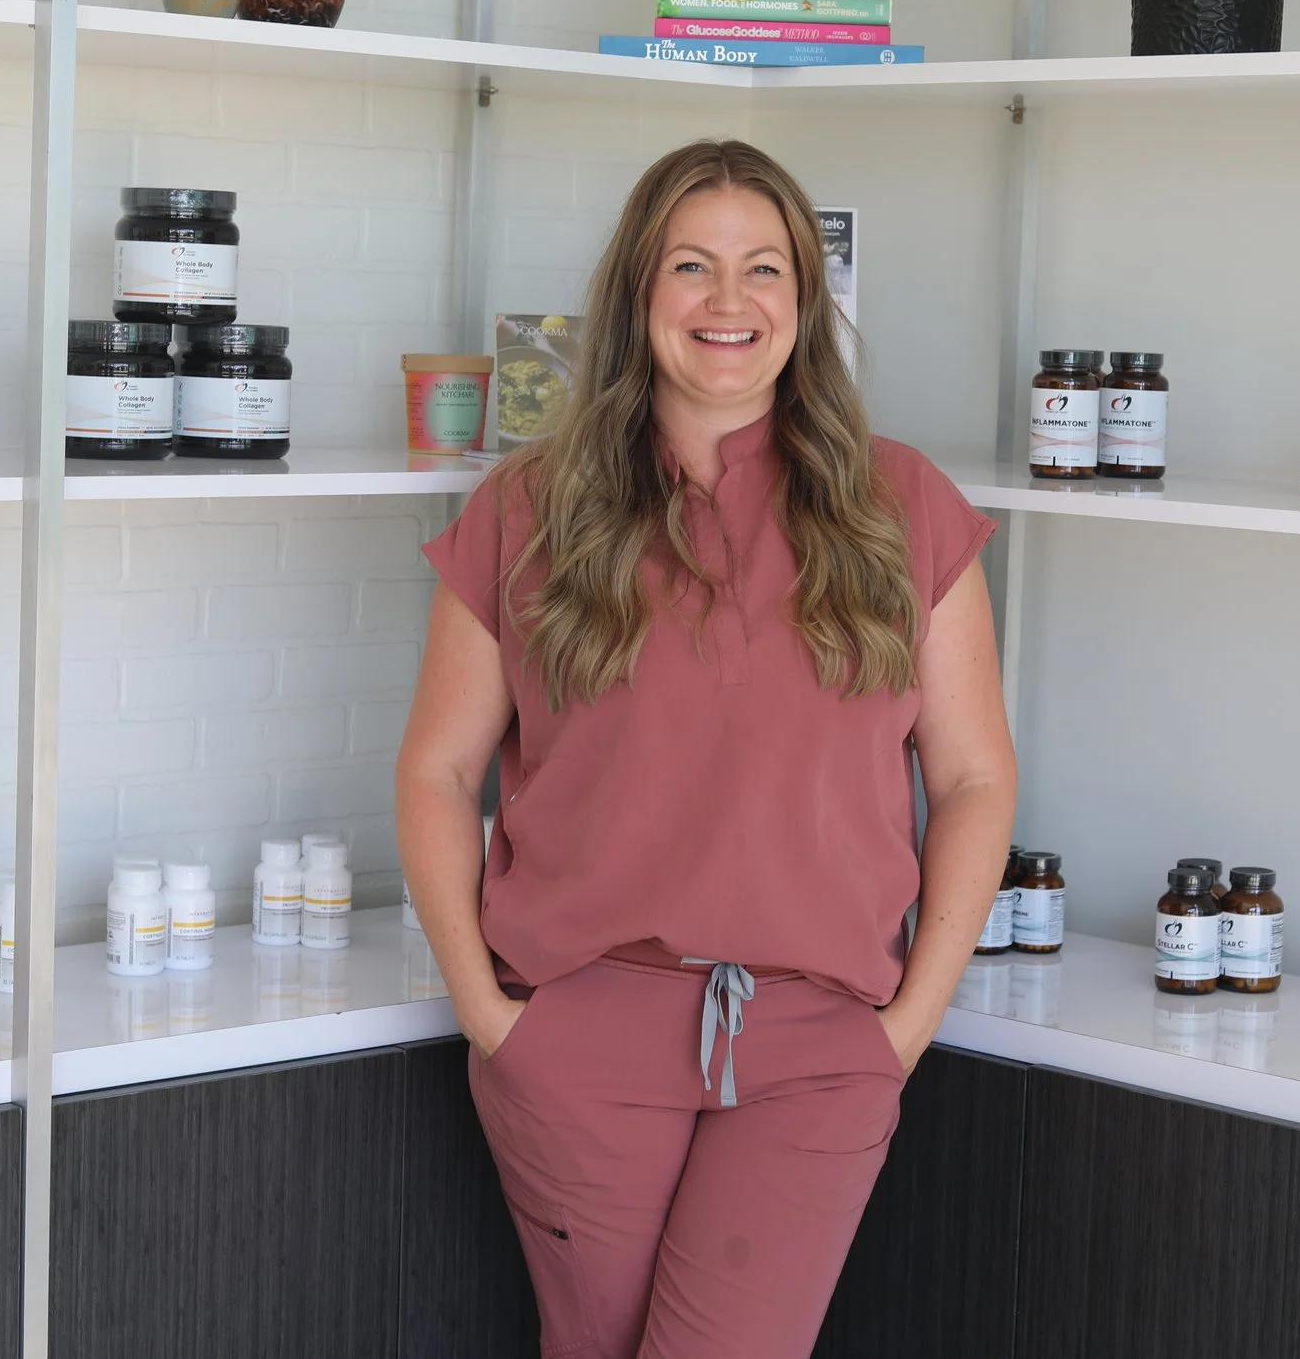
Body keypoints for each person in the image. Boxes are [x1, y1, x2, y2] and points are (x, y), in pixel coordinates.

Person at [396, 138, 1017, 1358]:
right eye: (692, 265)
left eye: (763, 268)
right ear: (639, 293)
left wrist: (904, 1028)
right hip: (578, 1035)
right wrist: (489, 1009)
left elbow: (973, 776)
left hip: (817, 1040)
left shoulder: (904, 508)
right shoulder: (528, 507)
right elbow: (436, 771)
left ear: (805, 299)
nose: (728, 301)